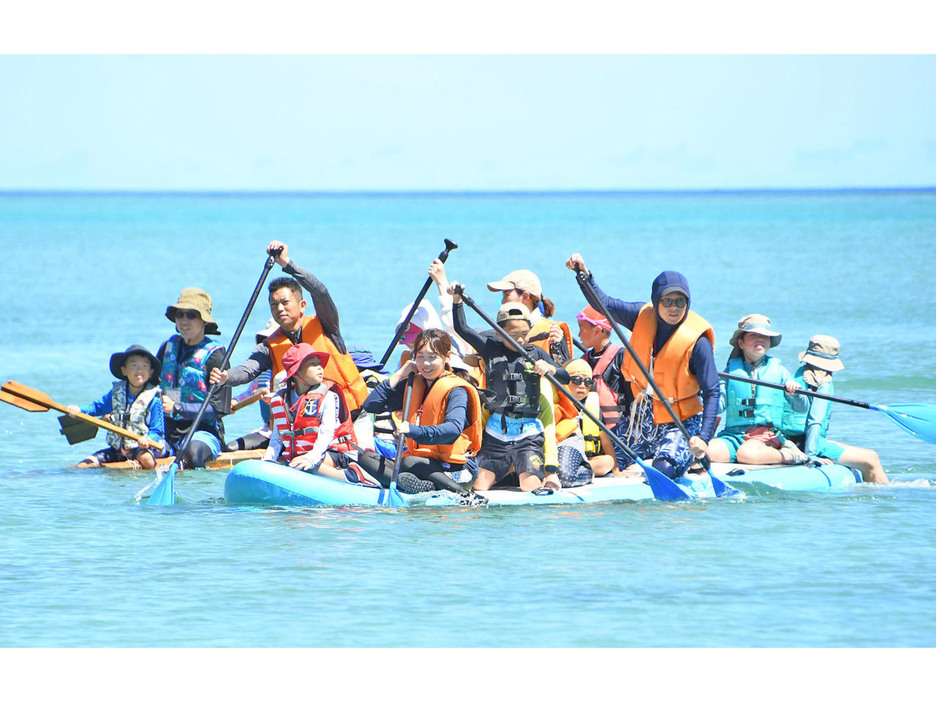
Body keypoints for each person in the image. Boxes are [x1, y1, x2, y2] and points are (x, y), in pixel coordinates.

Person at [565, 253, 719, 480]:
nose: (673, 308)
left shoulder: (699, 343)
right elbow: (604, 304)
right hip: (644, 418)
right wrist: (583, 275)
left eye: (680, 302)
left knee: (663, 469)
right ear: (656, 302)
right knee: (604, 458)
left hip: (682, 421)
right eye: (667, 301)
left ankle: (694, 456)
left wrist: (703, 437)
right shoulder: (640, 316)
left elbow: (712, 391)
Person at [210, 241, 368, 416]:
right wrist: (227, 377)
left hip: (349, 417)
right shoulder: (269, 346)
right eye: (274, 304)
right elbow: (248, 370)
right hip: (307, 424)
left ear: (302, 305)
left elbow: (320, 293)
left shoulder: (326, 325)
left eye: (285, 302)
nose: (279, 309)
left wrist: (287, 264)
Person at [449, 285, 570, 493]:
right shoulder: (490, 349)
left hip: (528, 434)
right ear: (500, 333)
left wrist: (550, 368)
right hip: (497, 433)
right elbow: (463, 329)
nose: (521, 340)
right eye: (515, 335)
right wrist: (457, 300)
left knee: (529, 487)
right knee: (479, 486)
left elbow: (566, 377)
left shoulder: (536, 354)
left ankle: (524, 468)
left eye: (525, 334)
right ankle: (509, 467)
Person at [357, 329, 487, 504]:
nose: (425, 363)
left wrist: (412, 430)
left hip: (456, 469)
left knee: (408, 462)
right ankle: (425, 487)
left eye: (432, 357)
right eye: (420, 357)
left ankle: (464, 494)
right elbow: (371, 405)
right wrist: (400, 374)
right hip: (421, 463)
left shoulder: (457, 390)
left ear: (446, 356)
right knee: (366, 458)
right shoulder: (414, 384)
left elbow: (453, 430)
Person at [781, 335, 889, 483]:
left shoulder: (796, 376)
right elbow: (815, 421)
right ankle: (882, 500)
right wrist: (810, 455)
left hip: (792, 438)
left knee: (871, 456)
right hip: (807, 443)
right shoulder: (823, 383)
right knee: (871, 461)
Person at [707, 314, 809, 466]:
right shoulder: (729, 372)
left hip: (766, 436)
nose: (760, 339)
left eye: (764, 336)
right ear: (741, 343)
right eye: (754, 335)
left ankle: (790, 454)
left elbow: (802, 407)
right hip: (733, 435)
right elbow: (719, 406)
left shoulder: (780, 371)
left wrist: (795, 394)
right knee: (704, 451)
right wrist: (704, 392)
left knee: (746, 454)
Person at [265, 344, 373, 485]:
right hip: (302, 454)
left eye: (319, 363)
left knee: (304, 467)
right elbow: (277, 438)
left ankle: (353, 476)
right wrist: (267, 461)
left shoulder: (328, 396)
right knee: (277, 465)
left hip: (337, 453)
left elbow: (326, 434)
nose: (319, 367)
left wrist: (310, 458)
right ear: (296, 372)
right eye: (312, 364)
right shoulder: (281, 400)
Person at [157, 287, 232, 468]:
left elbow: (218, 408)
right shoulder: (168, 347)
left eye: (191, 315)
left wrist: (177, 407)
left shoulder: (217, 356)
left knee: (192, 453)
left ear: (203, 321)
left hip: (202, 432)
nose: (184, 320)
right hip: (165, 431)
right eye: (180, 314)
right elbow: (148, 388)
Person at [66, 345, 166, 470]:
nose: (139, 370)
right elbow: (97, 407)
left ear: (151, 373)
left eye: (144, 366)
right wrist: (80, 410)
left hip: (141, 449)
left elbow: (158, 431)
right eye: (134, 366)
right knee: (83, 465)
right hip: (117, 449)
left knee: (146, 459)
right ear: (124, 370)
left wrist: (147, 440)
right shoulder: (116, 393)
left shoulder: (154, 399)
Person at [552, 359, 620, 487]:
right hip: (559, 453)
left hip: (586, 458)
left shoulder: (592, 406)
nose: (582, 385)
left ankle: (584, 470)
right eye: (576, 380)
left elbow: (604, 438)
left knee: (607, 461)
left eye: (588, 382)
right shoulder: (555, 402)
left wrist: (616, 470)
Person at [486, 269, 574, 364]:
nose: (503, 301)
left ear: (525, 297)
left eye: (506, 294)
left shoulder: (553, 333)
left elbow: (566, 373)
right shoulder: (499, 333)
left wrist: (558, 347)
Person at [225, 319, 279, 452]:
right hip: (268, 431)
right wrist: (234, 401)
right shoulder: (262, 373)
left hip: (287, 434)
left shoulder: (296, 371)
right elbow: (249, 393)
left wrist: (273, 396)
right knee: (230, 448)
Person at [576, 304, 631, 429]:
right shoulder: (583, 361)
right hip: (589, 432)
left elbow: (631, 398)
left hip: (616, 433)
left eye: (581, 328)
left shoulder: (621, 357)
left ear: (597, 331)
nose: (579, 335)